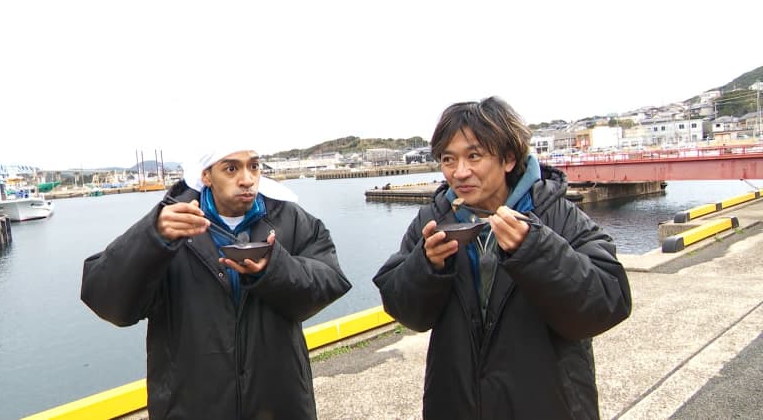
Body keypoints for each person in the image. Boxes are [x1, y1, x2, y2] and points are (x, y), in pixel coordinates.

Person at [373, 96, 632, 419]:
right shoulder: (434, 218)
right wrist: (427, 265)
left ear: (508, 158)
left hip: (548, 405)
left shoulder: (556, 214)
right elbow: (404, 309)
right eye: (448, 159)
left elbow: (608, 302)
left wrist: (535, 249)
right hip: (456, 404)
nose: (460, 172)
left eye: (474, 156)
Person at [81, 145, 352, 420]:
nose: (247, 179)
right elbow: (107, 301)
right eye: (231, 168)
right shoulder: (169, 225)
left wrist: (274, 269)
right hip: (190, 407)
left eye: (254, 166)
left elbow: (331, 279)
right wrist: (152, 238)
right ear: (206, 176)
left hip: (279, 403)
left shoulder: (290, 219)